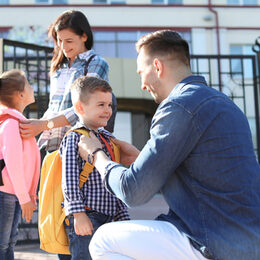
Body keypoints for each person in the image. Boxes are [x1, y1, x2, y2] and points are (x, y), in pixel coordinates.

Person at [77, 30, 260, 260]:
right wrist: (143, 158)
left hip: (210, 242)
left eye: (141, 73)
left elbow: (133, 192)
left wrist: (97, 155)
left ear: (157, 67)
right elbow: (209, 180)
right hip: (248, 243)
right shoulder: (226, 104)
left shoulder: (178, 106)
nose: (143, 85)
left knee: (104, 240)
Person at [19, 10, 117, 154]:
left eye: (69, 41)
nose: (63, 46)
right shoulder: (58, 67)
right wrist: (36, 124)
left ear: (84, 36)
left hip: (81, 143)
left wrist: (44, 125)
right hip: (52, 143)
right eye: (59, 40)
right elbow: (53, 107)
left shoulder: (96, 63)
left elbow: (84, 108)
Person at [60, 76, 129, 260]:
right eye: (101, 105)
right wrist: (78, 214)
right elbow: (69, 179)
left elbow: (114, 175)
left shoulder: (108, 138)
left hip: (109, 216)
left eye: (109, 105)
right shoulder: (73, 138)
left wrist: (122, 213)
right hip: (87, 215)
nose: (108, 110)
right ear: (80, 107)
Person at [0, 69, 40, 260]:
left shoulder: (18, 122)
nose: (33, 88)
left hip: (12, 193)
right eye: (29, 85)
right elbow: (13, 164)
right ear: (21, 94)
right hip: (5, 194)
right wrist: (24, 197)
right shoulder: (10, 124)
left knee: (9, 242)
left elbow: (27, 164)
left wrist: (29, 194)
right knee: (3, 243)